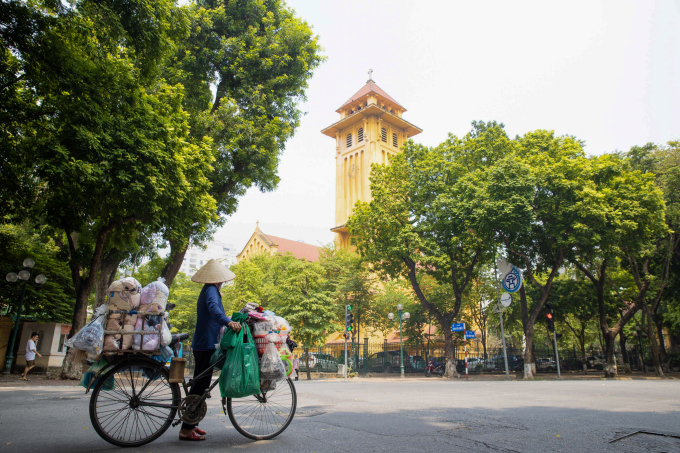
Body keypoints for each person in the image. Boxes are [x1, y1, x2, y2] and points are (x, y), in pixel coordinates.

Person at [179, 259, 239, 442]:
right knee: (199, 385)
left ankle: (192, 424)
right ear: (217, 279)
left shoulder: (209, 290)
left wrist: (228, 319)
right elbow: (214, 310)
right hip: (205, 343)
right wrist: (228, 322)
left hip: (205, 342)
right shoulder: (211, 290)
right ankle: (186, 429)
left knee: (201, 385)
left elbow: (215, 312)